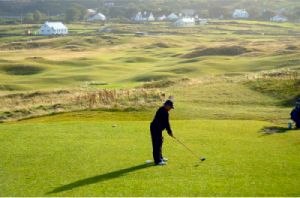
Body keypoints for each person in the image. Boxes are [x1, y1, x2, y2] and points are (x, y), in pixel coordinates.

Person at [150, 100, 174, 166]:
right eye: (170, 107)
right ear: (167, 105)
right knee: (157, 144)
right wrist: (169, 131)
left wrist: (169, 131)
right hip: (155, 128)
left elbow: (166, 123)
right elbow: (167, 123)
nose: (170, 109)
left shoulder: (163, 110)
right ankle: (157, 161)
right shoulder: (163, 111)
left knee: (160, 142)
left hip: (157, 129)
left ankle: (160, 157)